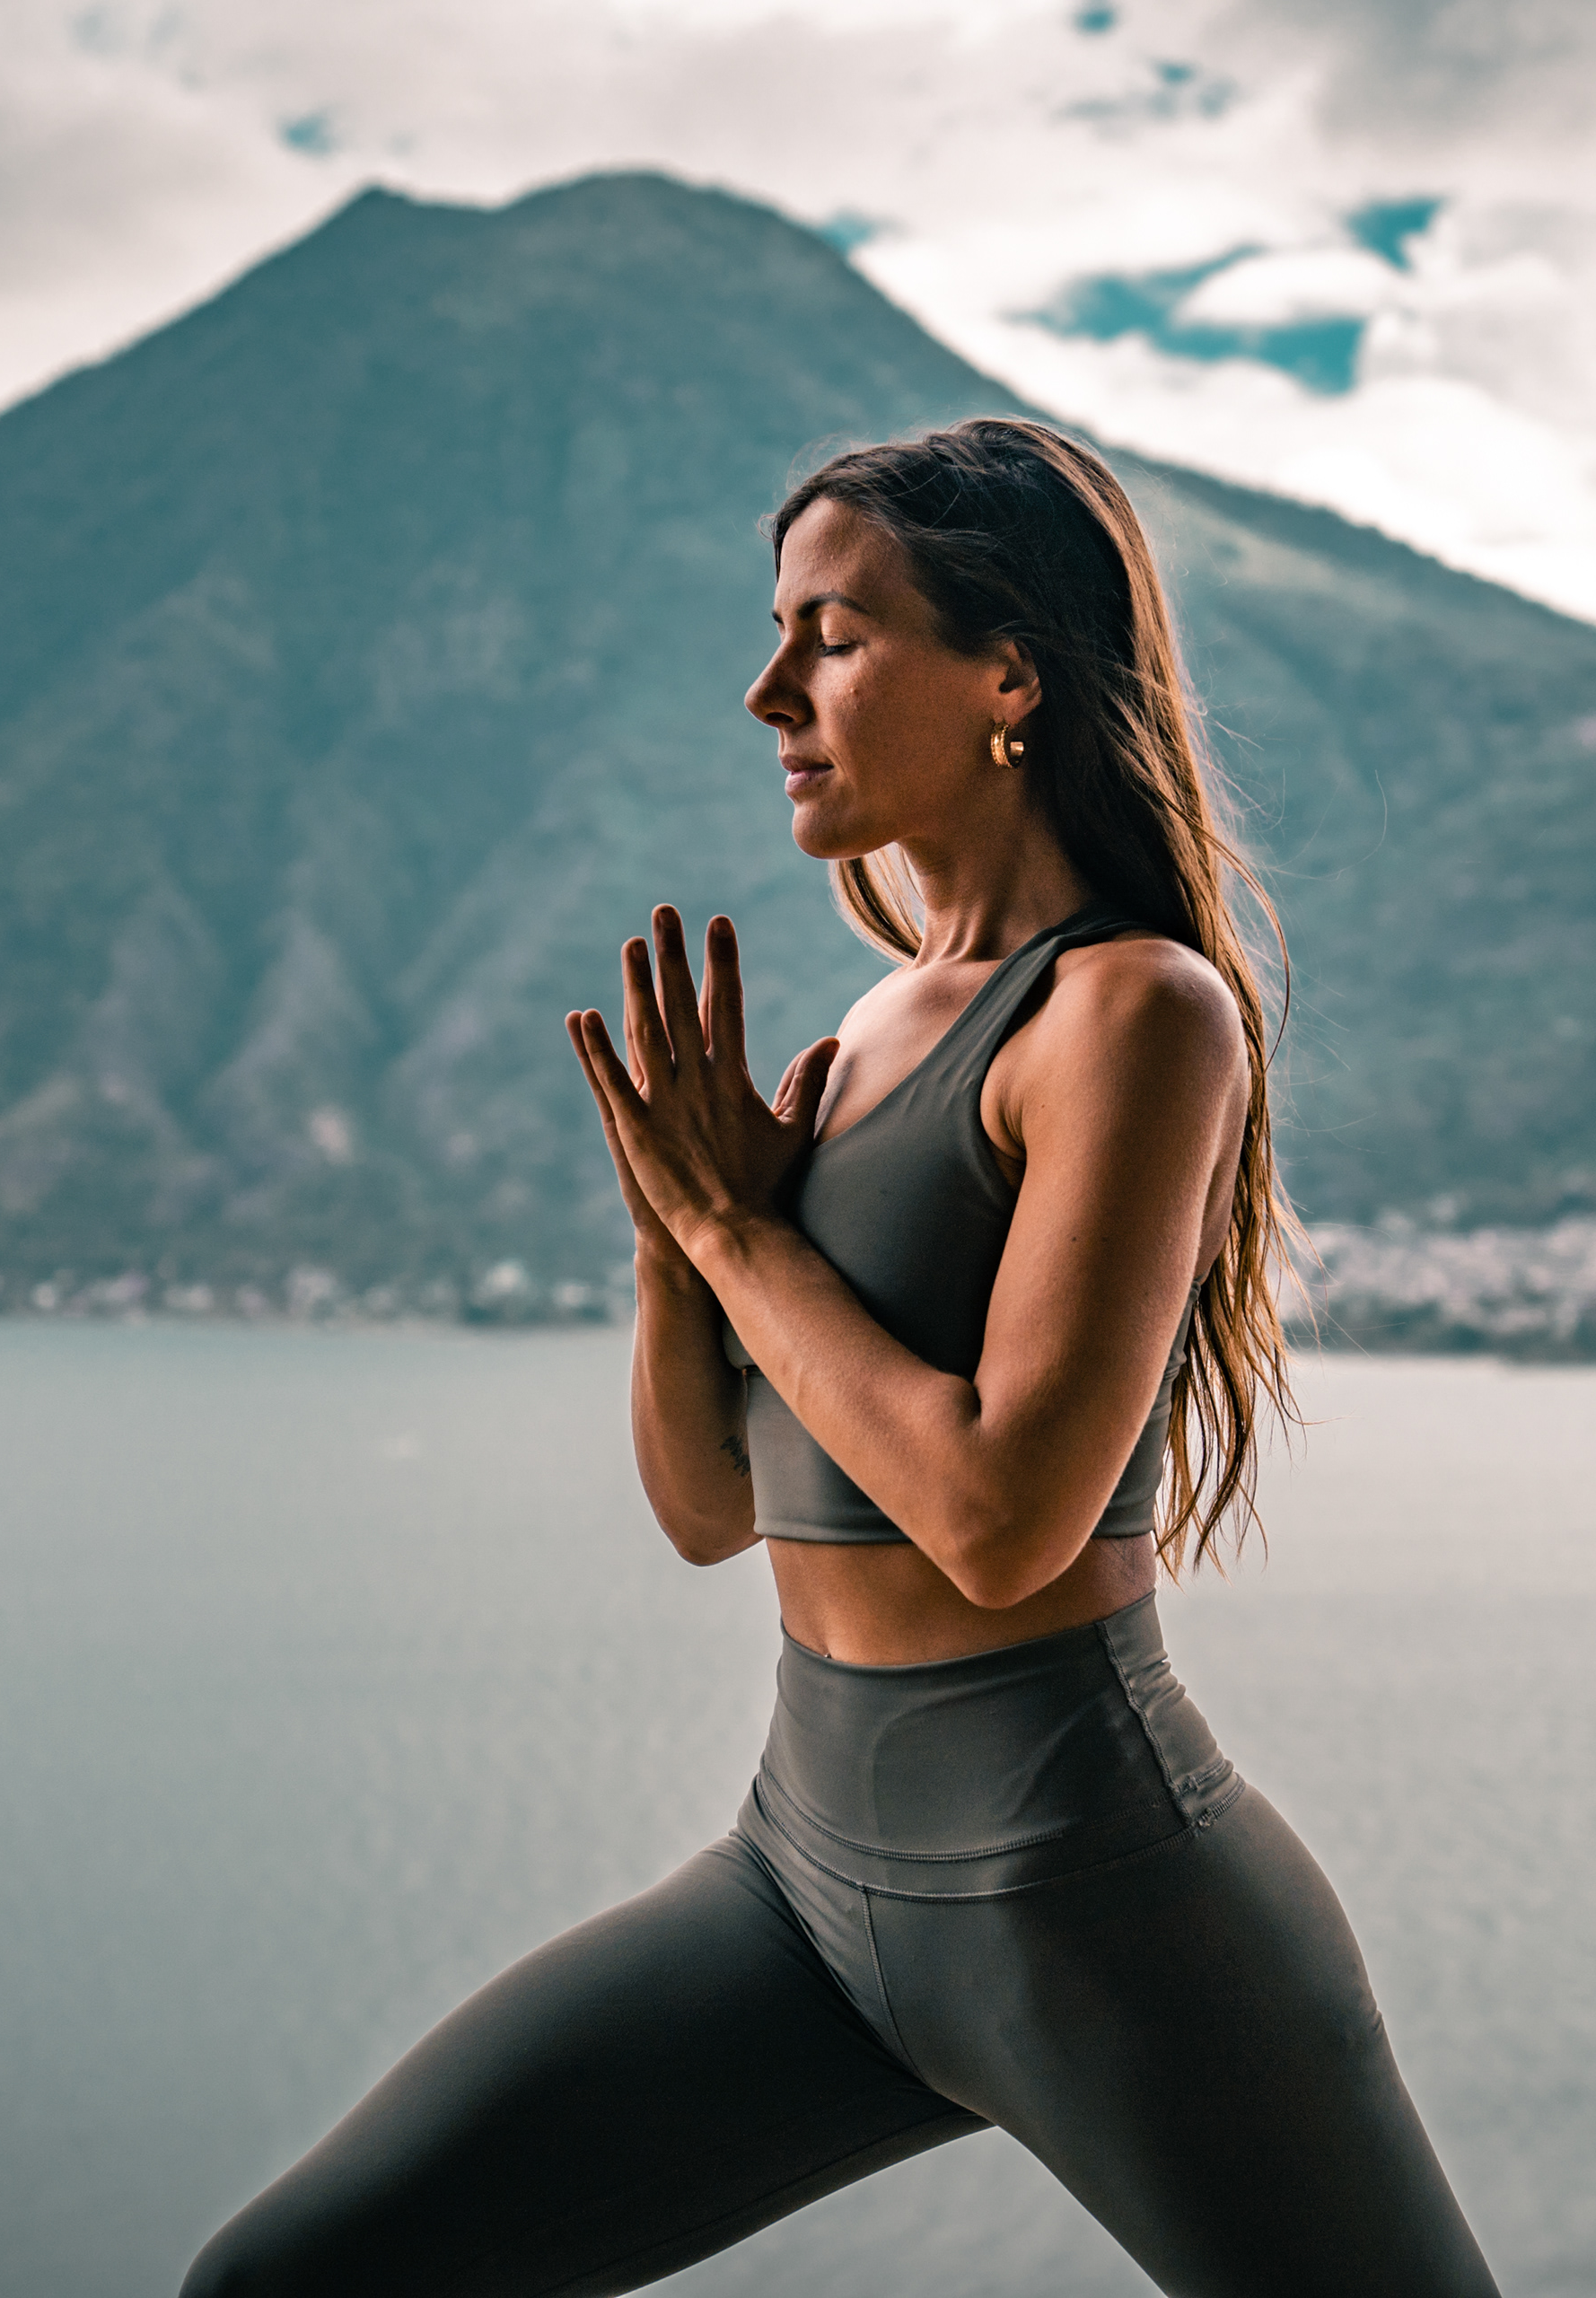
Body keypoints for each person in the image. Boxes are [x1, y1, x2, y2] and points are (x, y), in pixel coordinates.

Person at [182, 418, 1500, 2296]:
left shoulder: (1133, 1010)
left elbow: (1002, 1518)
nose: (768, 690)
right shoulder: (878, 1026)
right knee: (289, 2281)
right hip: (799, 1887)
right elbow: (710, 1506)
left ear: (1010, 679)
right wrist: (677, 1242)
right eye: (779, 632)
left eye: (836, 634)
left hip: (1096, 1908)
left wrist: (744, 1240)